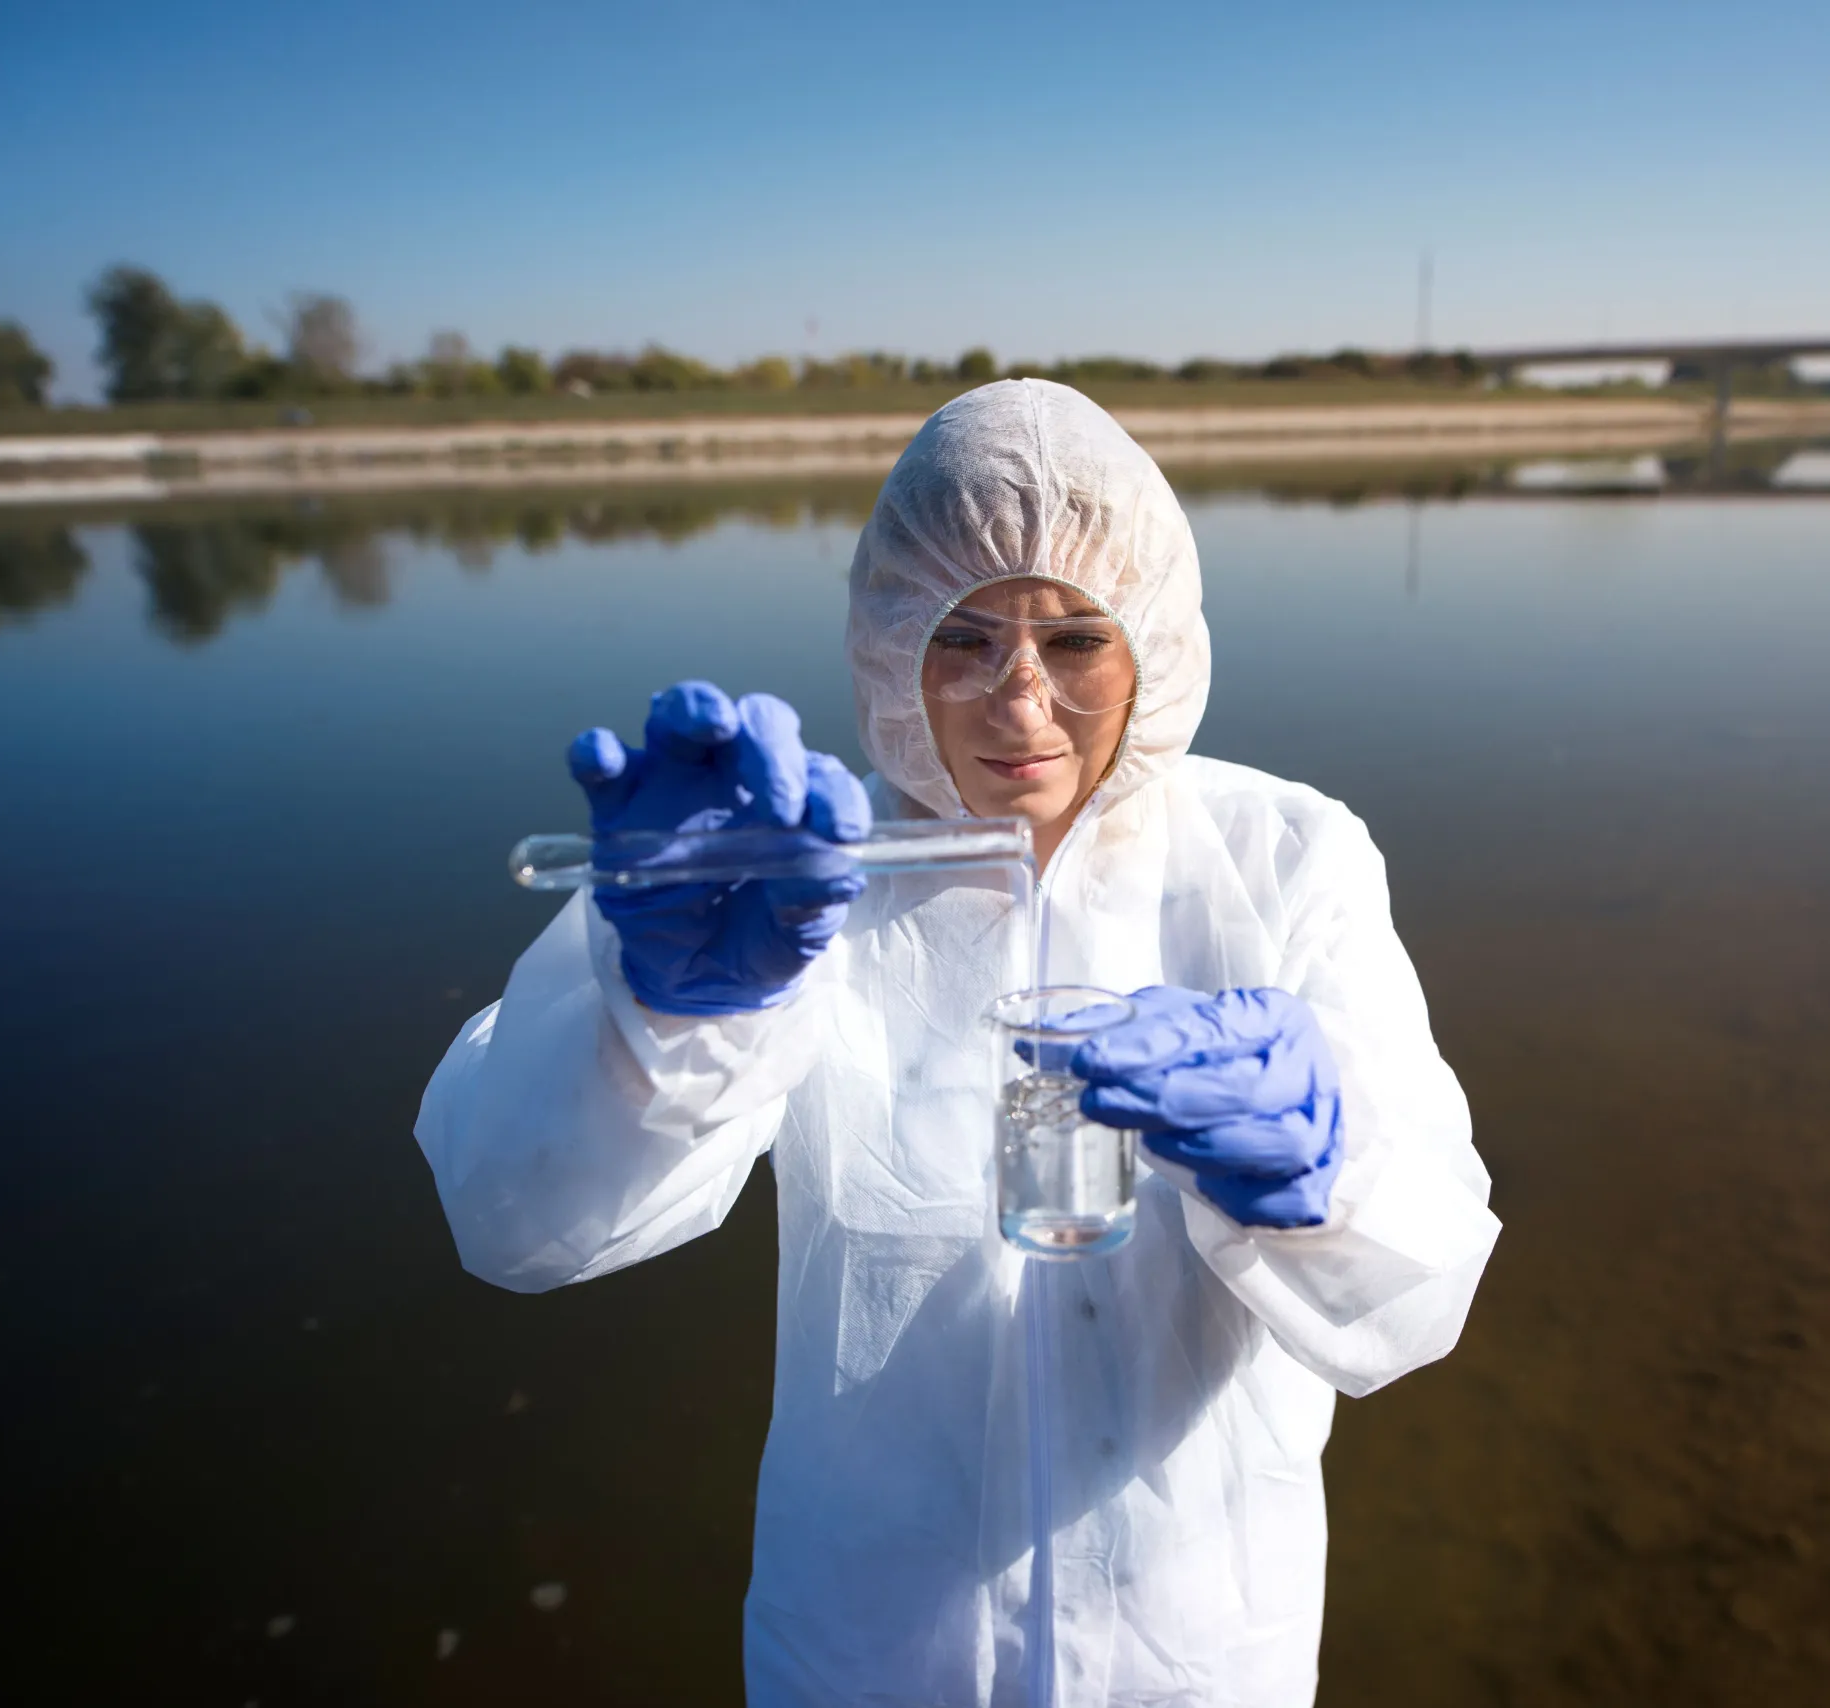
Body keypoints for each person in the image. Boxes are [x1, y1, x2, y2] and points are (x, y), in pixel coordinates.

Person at [416, 379, 1499, 1707]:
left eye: (1076, 639)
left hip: (1200, 1657)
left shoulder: (1281, 864)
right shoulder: (806, 882)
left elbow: (1417, 1302)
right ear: (890, 642)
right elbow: (513, 1219)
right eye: (966, 639)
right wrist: (663, 1015)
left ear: (1152, 636)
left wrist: (1318, 1184)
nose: (1020, 706)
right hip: (870, 1659)